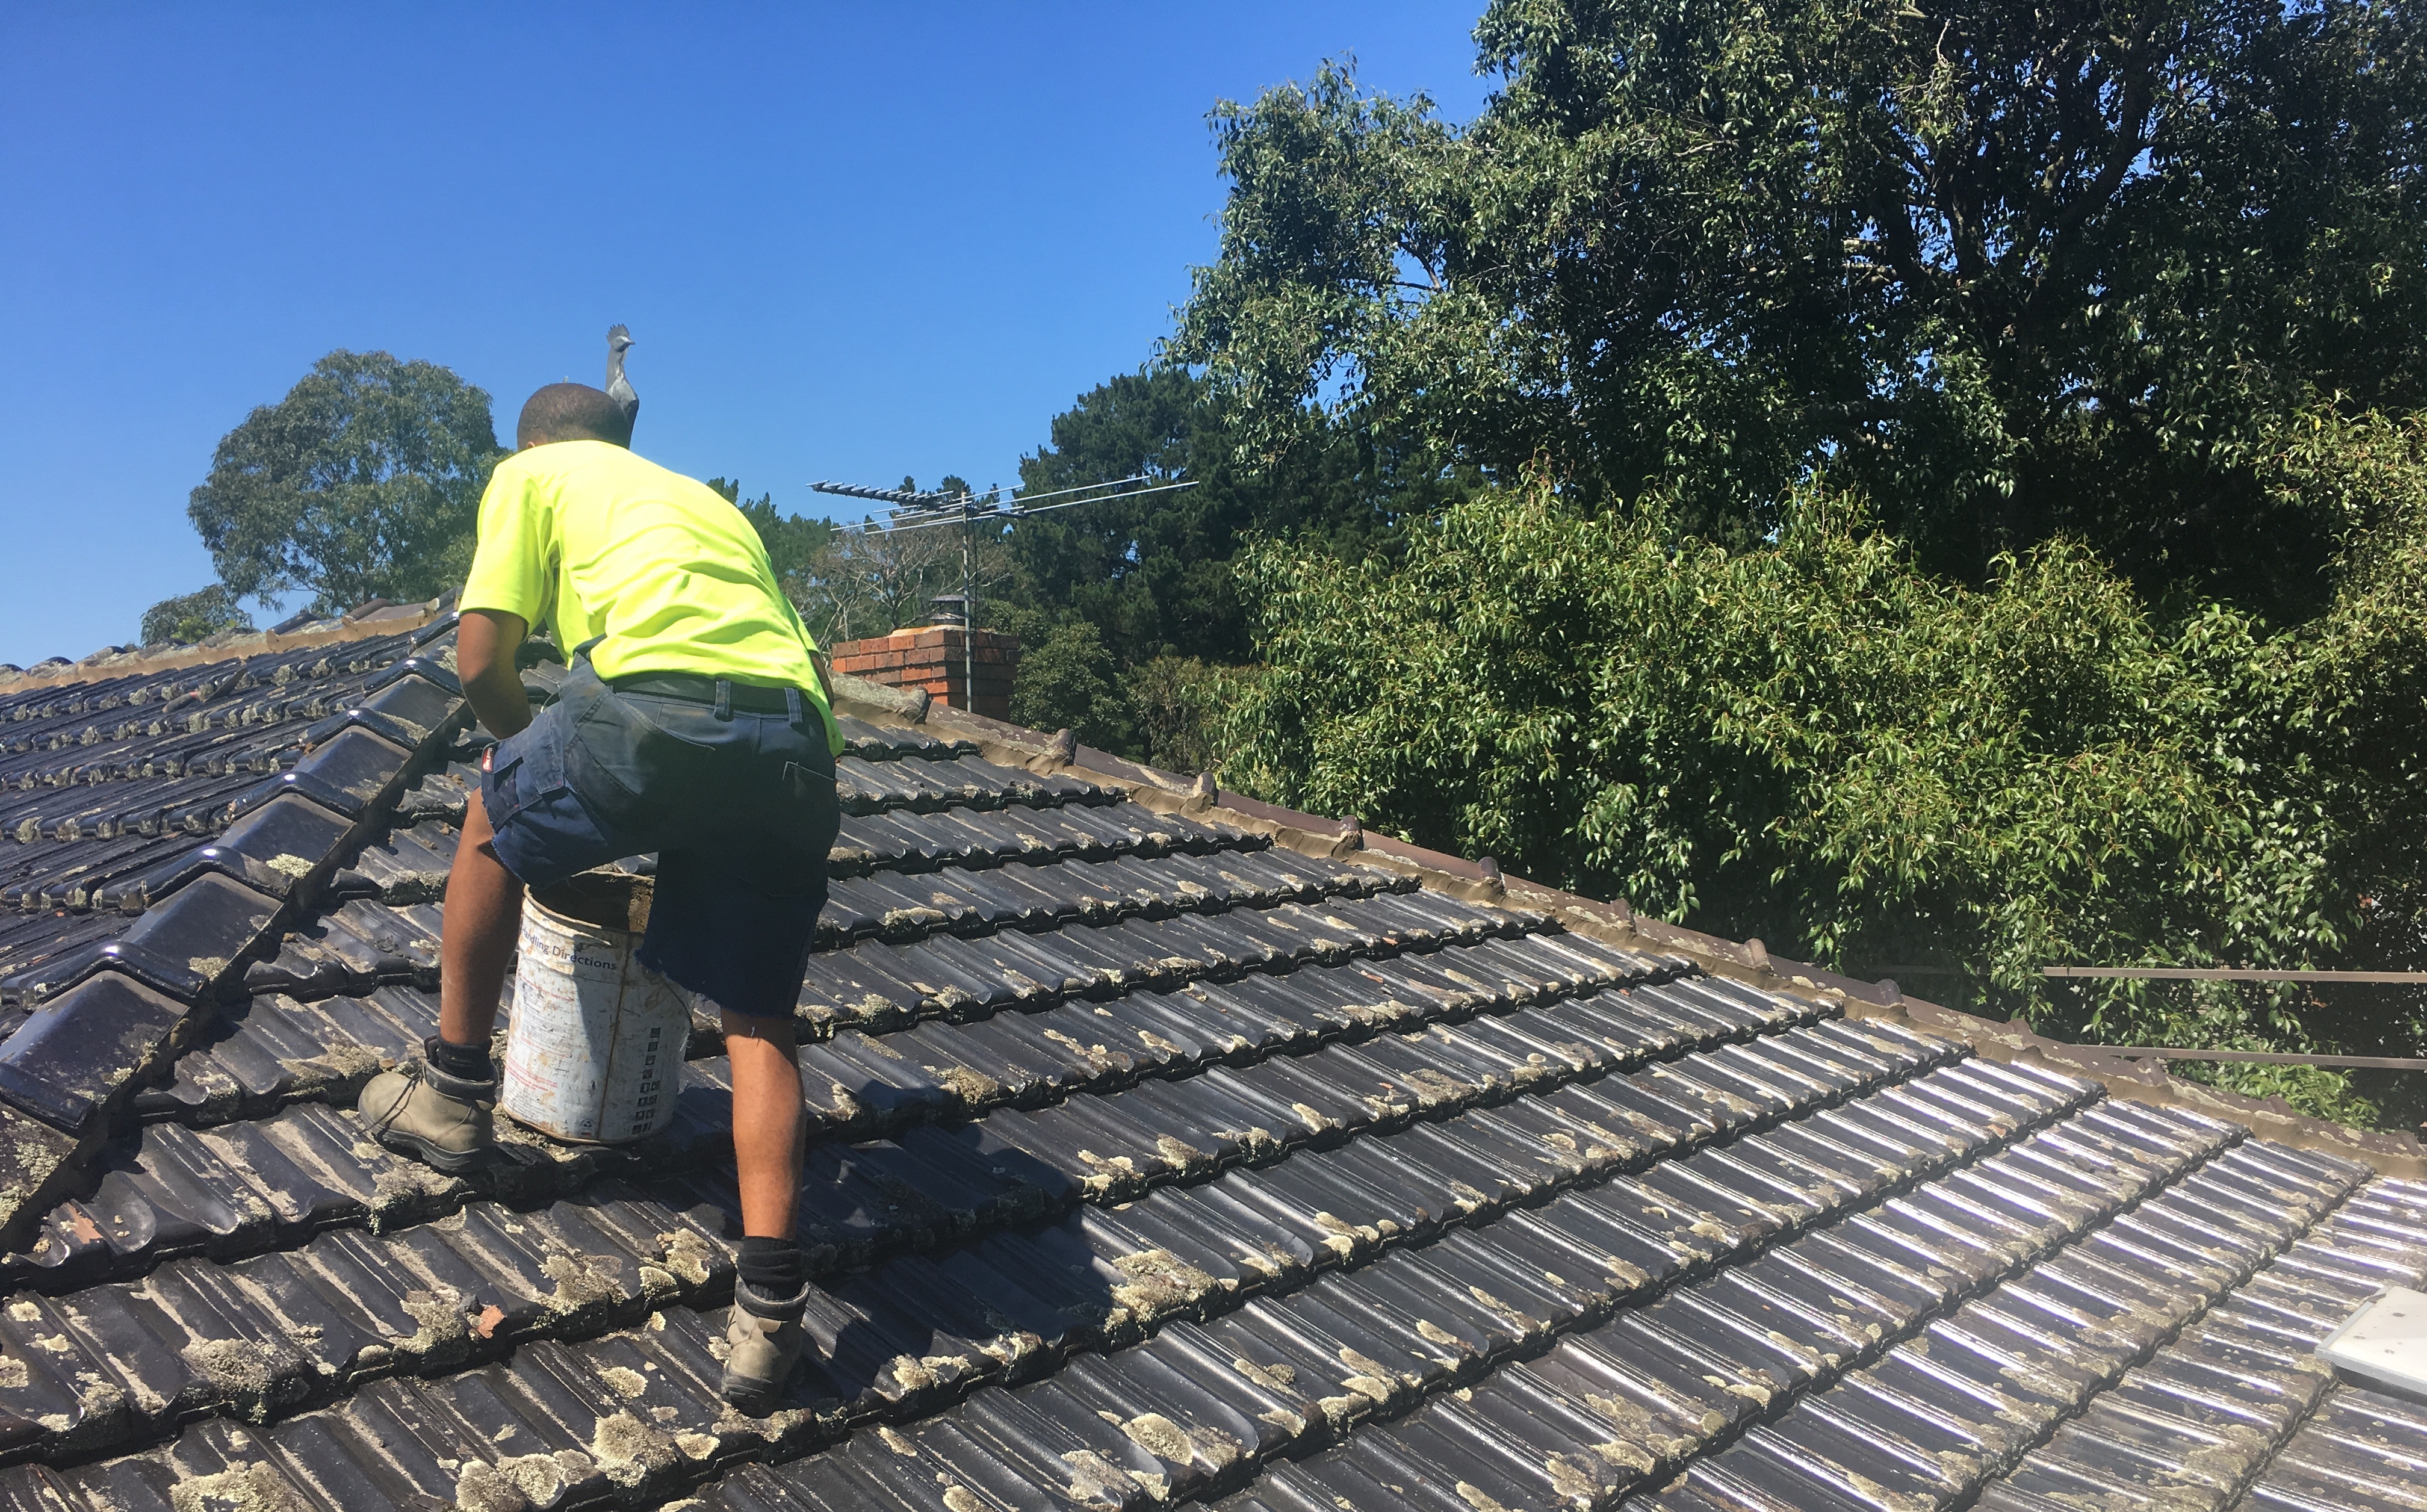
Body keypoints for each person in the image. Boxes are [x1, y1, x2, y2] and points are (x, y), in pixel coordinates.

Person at [356, 380, 842, 1413]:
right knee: (759, 1017)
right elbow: (795, 667)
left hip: (652, 709)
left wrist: (523, 755)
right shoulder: (706, 502)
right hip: (795, 743)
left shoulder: (531, 474)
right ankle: (769, 1315)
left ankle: (452, 1096)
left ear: (534, 441)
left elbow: (482, 655)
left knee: (491, 822)